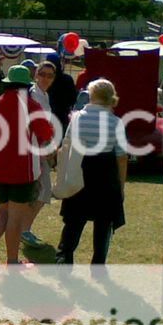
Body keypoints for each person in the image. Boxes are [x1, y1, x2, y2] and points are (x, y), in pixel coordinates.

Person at [0, 65, 54, 266]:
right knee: (15, 217)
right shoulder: (32, 106)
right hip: (22, 169)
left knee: (2, 210)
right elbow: (46, 134)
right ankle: (12, 261)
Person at [55, 79, 127, 268]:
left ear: (92, 95)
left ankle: (64, 260)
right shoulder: (116, 122)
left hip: (80, 169)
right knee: (103, 224)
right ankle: (98, 266)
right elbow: (121, 157)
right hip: (106, 173)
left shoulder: (77, 117)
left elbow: (66, 145)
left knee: (74, 221)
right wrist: (121, 185)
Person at [21, 61, 57, 248]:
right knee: (42, 191)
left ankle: (24, 229)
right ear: (36, 74)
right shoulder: (34, 95)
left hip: (41, 148)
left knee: (40, 191)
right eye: (42, 74)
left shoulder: (44, 95)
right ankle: (23, 230)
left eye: (50, 75)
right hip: (36, 149)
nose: (46, 78)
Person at [45, 53, 77, 133]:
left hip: (48, 115)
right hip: (63, 115)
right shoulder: (67, 79)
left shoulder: (45, 79)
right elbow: (73, 99)